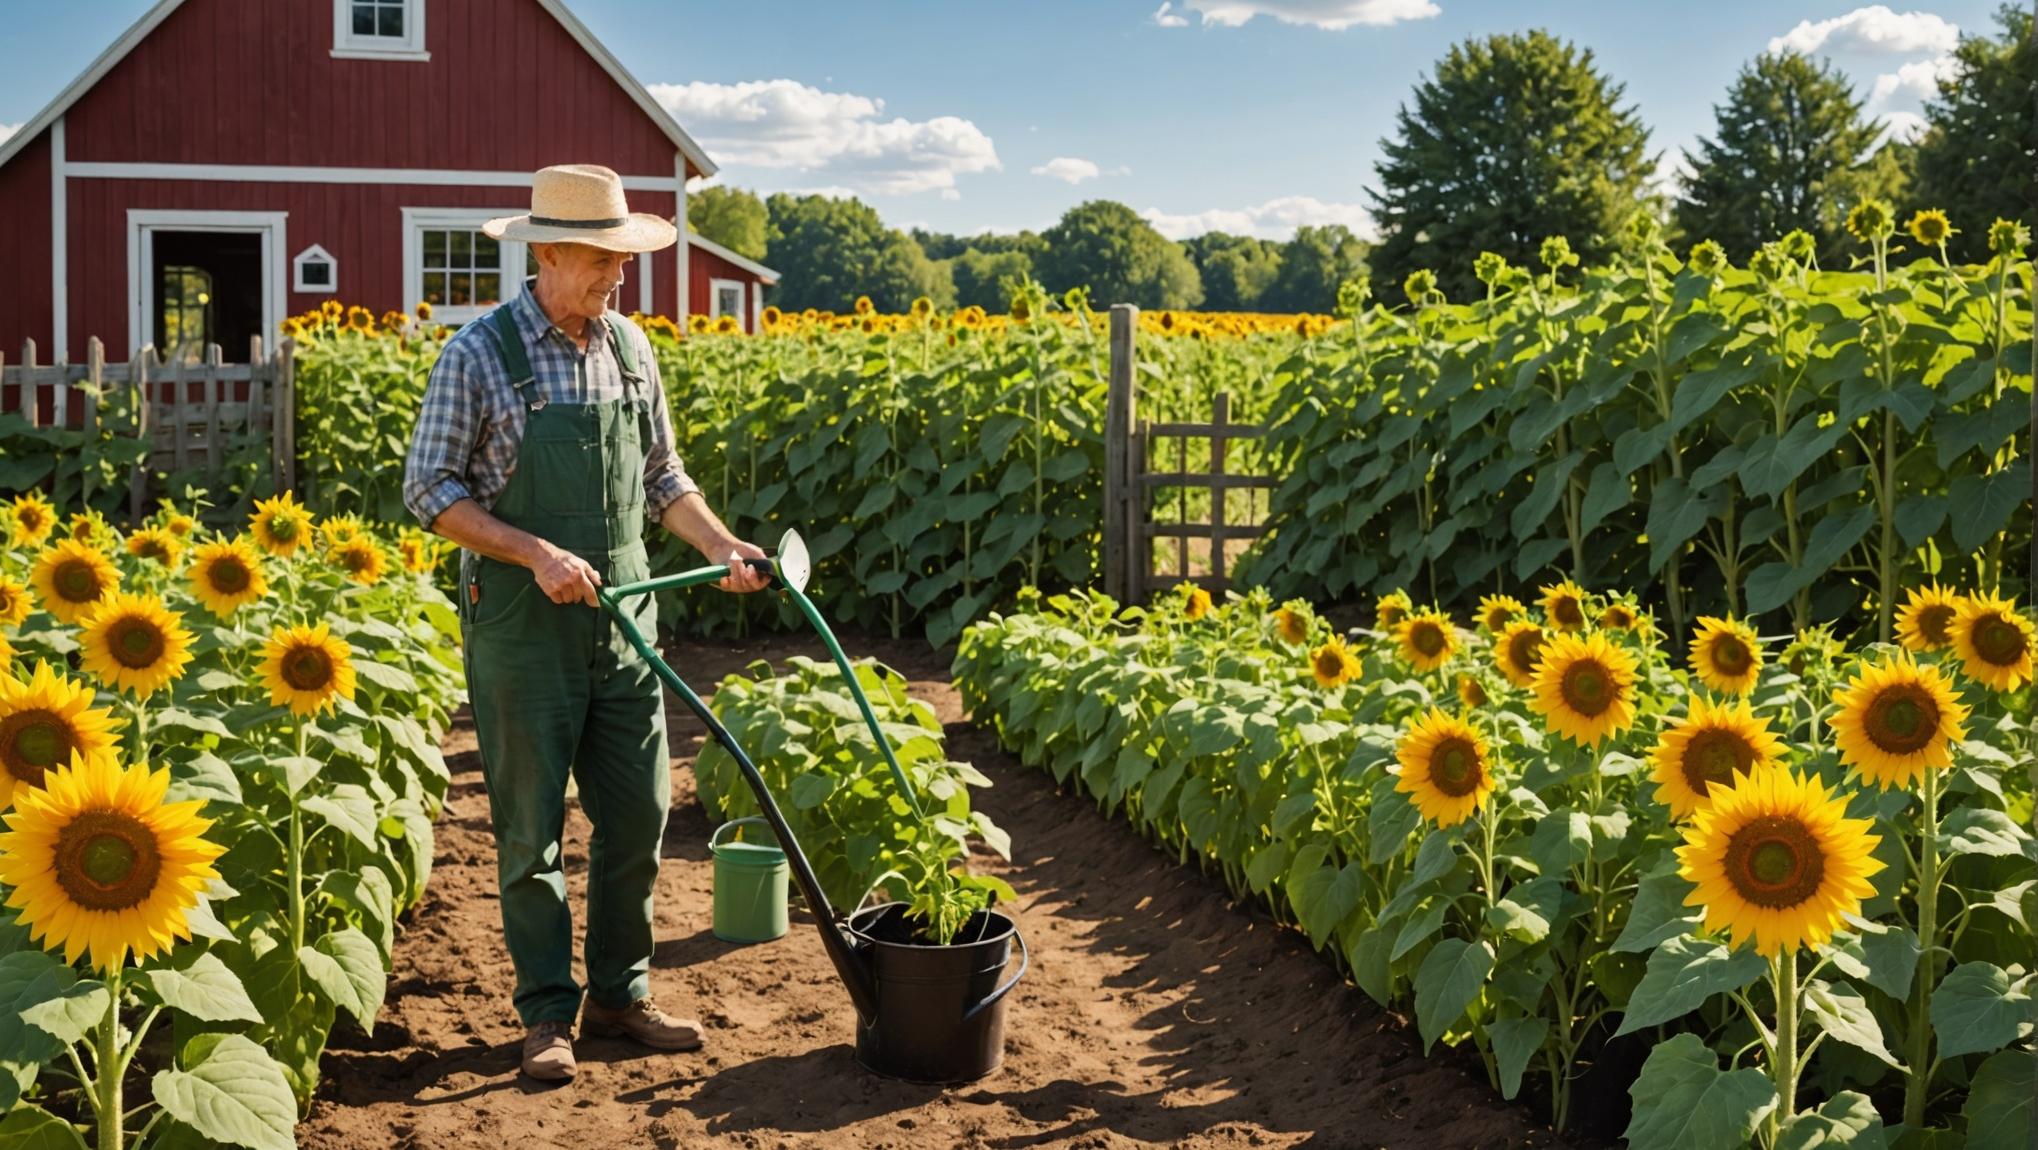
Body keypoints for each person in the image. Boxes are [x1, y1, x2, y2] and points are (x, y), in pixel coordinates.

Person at [401, 163, 770, 1082]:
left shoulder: (631, 349)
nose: (618, 277)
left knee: (639, 815)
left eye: (622, 260)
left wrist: (724, 545)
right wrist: (532, 551)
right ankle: (546, 1015)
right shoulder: (479, 355)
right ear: (550, 252)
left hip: (625, 626)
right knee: (529, 836)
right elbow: (426, 491)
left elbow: (663, 479)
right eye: (604, 260)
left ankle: (619, 993)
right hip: (524, 629)